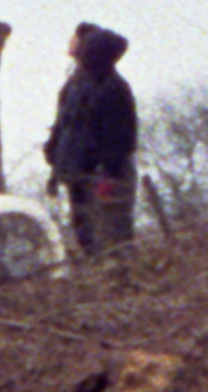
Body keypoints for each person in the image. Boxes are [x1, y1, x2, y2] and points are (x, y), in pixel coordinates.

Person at [43, 21, 143, 258]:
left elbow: (122, 139)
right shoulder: (75, 85)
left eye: (78, 39)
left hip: (102, 176)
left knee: (113, 238)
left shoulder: (113, 88)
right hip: (77, 173)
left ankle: (123, 284)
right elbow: (65, 126)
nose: (71, 42)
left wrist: (108, 175)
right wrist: (56, 161)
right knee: (85, 237)